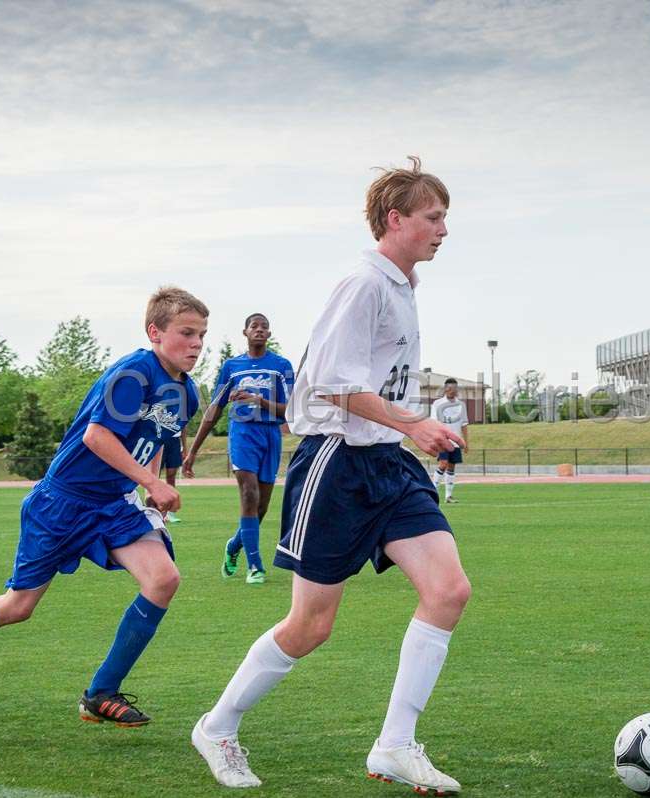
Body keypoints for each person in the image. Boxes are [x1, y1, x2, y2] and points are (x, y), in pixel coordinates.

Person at [190, 157, 469, 794]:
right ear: (396, 220)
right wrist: (413, 423)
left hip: (387, 466)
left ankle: (395, 746)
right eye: (433, 217)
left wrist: (408, 429)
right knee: (312, 625)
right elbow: (329, 385)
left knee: (448, 590)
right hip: (336, 463)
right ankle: (218, 725)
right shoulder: (363, 284)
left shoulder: (402, 285)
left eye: (444, 217)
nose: (443, 229)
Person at [0, 287, 208, 728]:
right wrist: (152, 482)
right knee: (17, 607)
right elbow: (96, 437)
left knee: (163, 579)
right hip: (61, 503)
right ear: (155, 332)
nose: (197, 344)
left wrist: (146, 492)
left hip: (113, 505)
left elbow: (154, 441)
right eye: (187, 333)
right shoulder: (134, 374)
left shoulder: (187, 394)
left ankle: (100, 693)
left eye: (202, 335)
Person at [183, 313, 294, 585]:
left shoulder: (281, 366)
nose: (259, 330)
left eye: (264, 327)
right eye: (254, 326)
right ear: (245, 332)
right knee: (248, 493)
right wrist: (193, 451)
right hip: (243, 434)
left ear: (269, 334)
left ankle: (234, 545)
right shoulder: (232, 366)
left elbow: (292, 410)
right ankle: (255, 566)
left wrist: (260, 400)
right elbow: (214, 409)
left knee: (262, 507)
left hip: (270, 436)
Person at [430, 378, 469, 503]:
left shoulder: (461, 405)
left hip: (456, 442)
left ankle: (448, 496)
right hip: (443, 440)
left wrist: (466, 442)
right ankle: (432, 491)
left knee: (451, 467)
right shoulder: (437, 404)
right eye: (450, 388)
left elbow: (464, 424)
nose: (453, 391)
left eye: (455, 388)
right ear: (446, 389)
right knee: (443, 464)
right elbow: (434, 423)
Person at [160, 431, 188, 523]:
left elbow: (184, 425)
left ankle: (170, 513)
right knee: (154, 474)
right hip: (159, 437)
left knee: (171, 475)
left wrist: (184, 447)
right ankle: (154, 511)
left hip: (175, 440)